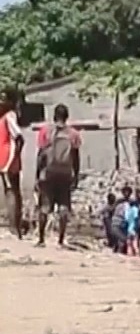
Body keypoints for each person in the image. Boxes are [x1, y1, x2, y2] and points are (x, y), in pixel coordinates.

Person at [34, 104, 79, 248]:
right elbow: (76, 157)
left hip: (48, 174)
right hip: (65, 174)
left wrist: (37, 175)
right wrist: (75, 174)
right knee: (64, 206)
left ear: (54, 116)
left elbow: (41, 155)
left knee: (45, 206)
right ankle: (60, 240)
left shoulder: (45, 131)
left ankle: (41, 240)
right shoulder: (73, 134)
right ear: (67, 117)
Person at [1, 91, 23, 238]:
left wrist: (15, 155)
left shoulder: (9, 116)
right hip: (7, 158)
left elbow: (18, 136)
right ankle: (14, 227)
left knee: (12, 191)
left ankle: (14, 228)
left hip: (8, 157)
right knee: (12, 191)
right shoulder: (7, 116)